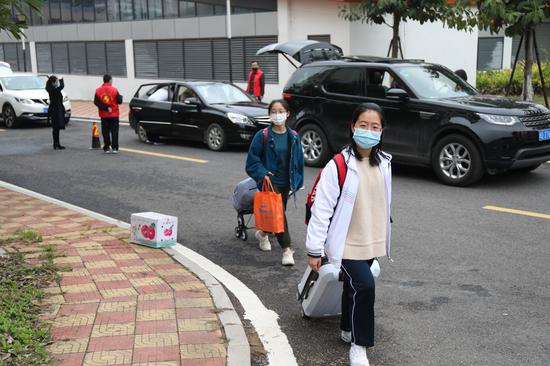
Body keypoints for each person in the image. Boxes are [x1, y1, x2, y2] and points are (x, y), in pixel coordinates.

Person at [305, 103, 392, 366]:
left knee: (354, 287)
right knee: (365, 286)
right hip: (346, 242)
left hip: (370, 239)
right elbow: (322, 209)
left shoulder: (384, 162)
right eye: (363, 125)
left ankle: (346, 328)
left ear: (381, 131)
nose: (369, 130)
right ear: (353, 127)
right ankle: (359, 345)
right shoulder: (339, 165)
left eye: (375, 127)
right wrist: (314, 249)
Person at [245, 99, 304, 266]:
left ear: (288, 114)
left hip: (286, 181)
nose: (277, 115)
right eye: (274, 112)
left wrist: (298, 181)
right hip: (269, 181)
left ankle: (263, 234)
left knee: (276, 213)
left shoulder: (293, 136)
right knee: (278, 212)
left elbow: (298, 161)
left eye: (281, 111)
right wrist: (263, 174)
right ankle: (287, 249)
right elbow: (251, 162)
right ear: (269, 114)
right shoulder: (262, 135)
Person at [94, 74, 122, 154]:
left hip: (104, 115)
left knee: (105, 131)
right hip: (114, 114)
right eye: (111, 80)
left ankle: (106, 147)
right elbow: (119, 101)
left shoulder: (98, 90)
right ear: (109, 80)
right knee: (114, 131)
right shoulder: (114, 89)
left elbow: (96, 102)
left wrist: (105, 108)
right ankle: (114, 148)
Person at [45, 75, 66, 150]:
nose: (57, 83)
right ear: (52, 83)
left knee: (56, 128)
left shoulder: (52, 89)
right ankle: (56, 143)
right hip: (55, 110)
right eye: (56, 82)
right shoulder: (53, 90)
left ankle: (57, 143)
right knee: (55, 128)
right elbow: (62, 86)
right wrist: (61, 79)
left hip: (56, 109)